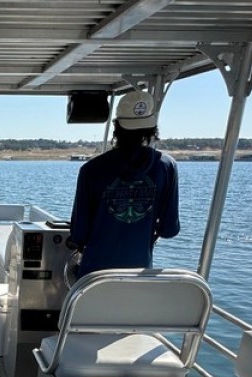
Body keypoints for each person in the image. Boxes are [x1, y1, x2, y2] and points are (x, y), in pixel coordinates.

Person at [68, 89, 180, 278]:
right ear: (153, 128)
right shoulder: (167, 167)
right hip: (139, 276)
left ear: (116, 126)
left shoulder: (91, 170)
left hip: (94, 278)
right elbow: (169, 229)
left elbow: (79, 233)